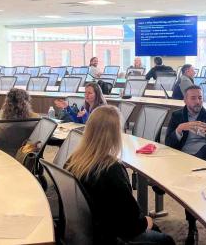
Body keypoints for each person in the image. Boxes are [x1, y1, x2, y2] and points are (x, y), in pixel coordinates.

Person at [64, 105, 175, 245]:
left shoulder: (73, 160)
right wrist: (147, 221)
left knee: (155, 230)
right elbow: (132, 225)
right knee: (166, 240)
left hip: (87, 229)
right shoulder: (111, 169)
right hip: (110, 235)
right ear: (116, 134)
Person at [165, 85, 206, 244]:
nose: (197, 102)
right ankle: (193, 224)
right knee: (193, 184)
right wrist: (179, 130)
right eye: (193, 98)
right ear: (185, 100)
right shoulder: (177, 117)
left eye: (200, 98)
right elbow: (168, 144)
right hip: (184, 160)